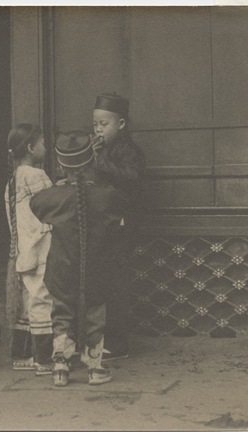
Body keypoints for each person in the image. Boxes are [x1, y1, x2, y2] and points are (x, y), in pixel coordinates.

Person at [30, 131, 127, 386]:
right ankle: (95, 368)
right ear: (91, 161)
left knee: (62, 313)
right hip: (97, 269)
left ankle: (60, 367)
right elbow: (119, 205)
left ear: (61, 165)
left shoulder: (52, 198)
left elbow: (36, 204)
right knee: (95, 314)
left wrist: (59, 187)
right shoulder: (106, 195)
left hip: (61, 269)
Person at [91, 93, 146, 361]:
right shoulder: (100, 150)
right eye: (95, 125)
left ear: (121, 124)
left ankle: (117, 342)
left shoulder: (130, 152)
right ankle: (98, 338)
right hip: (101, 225)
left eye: (104, 124)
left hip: (121, 227)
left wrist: (100, 163)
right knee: (100, 283)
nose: (98, 130)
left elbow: (132, 179)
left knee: (115, 284)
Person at [5, 123, 54, 376]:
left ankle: (22, 354)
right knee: (41, 299)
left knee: (27, 300)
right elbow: (51, 207)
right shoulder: (35, 176)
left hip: (23, 248)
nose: (45, 147)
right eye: (43, 143)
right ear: (30, 148)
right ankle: (44, 359)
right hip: (40, 247)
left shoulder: (13, 179)